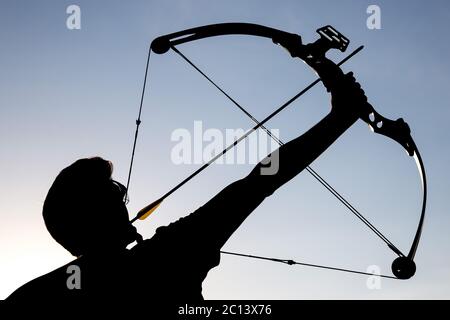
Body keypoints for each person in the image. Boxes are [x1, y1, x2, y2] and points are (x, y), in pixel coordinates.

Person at [6, 65, 367, 304]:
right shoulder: (163, 259)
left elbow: (258, 181)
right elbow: (260, 181)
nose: (122, 198)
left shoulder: (33, 297)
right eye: (113, 192)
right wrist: (341, 116)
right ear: (94, 214)